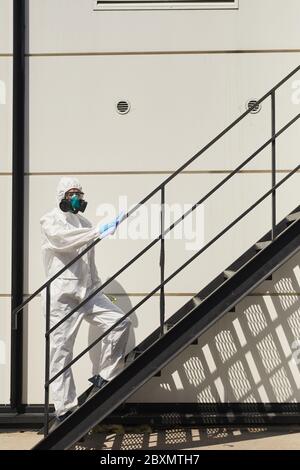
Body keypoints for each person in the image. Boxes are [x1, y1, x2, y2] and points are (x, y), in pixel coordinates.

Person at [40, 176, 131, 429]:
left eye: (79, 192)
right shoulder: (50, 220)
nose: (77, 196)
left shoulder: (86, 223)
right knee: (61, 351)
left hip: (88, 292)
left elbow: (90, 264)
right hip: (63, 296)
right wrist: (99, 230)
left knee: (120, 322)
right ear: (62, 196)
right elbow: (64, 241)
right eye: (71, 193)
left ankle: (106, 376)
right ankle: (65, 409)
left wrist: (100, 289)